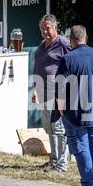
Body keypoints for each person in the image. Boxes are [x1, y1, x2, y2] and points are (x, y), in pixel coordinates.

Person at [56, 25, 93, 186]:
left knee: (81, 146)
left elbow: (59, 87)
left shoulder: (68, 59)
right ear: (86, 38)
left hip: (76, 112)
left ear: (71, 41)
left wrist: (61, 110)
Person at [32, 14, 70, 172]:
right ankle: (53, 160)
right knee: (49, 128)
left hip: (57, 93)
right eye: (42, 29)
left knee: (59, 129)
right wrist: (35, 89)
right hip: (42, 92)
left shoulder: (63, 43)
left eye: (48, 28)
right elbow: (39, 67)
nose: (45, 32)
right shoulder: (42, 45)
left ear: (55, 28)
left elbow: (73, 64)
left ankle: (62, 164)